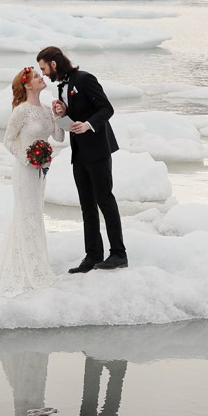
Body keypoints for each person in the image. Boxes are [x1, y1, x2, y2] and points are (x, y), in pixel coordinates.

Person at [36, 45, 127, 272]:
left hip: (98, 149)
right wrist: (63, 112)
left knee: (104, 200)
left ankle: (118, 254)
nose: (44, 73)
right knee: (87, 205)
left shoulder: (85, 79)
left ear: (53, 64)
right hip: (79, 153)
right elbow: (75, 115)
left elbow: (107, 109)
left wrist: (88, 125)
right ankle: (93, 256)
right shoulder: (62, 88)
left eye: (44, 68)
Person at [0, 65, 67, 296]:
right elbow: (8, 140)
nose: (42, 78)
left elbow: (58, 137)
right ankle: (25, 269)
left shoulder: (48, 109)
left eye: (41, 75)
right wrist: (29, 158)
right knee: (26, 213)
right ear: (28, 85)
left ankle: (37, 265)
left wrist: (59, 116)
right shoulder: (21, 110)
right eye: (38, 76)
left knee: (36, 214)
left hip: (42, 170)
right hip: (26, 170)